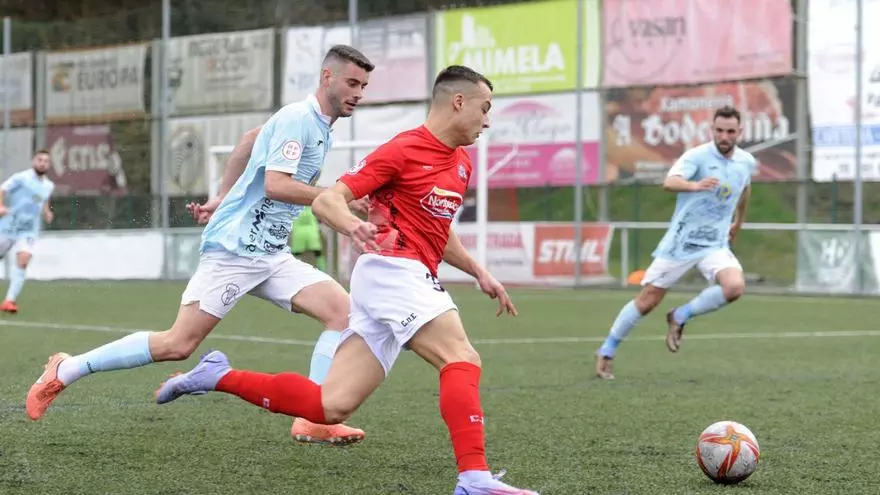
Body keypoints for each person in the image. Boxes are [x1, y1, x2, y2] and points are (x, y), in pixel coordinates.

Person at [154, 65, 539, 495]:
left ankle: (215, 376)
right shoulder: (402, 150)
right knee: (460, 356)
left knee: (330, 405)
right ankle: (473, 478)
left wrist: (479, 271)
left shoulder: (461, 162)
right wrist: (352, 226)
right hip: (393, 271)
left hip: (400, 278)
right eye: (485, 109)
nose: (487, 121)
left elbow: (438, 230)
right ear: (458, 102)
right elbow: (330, 201)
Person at [25, 45, 374, 446]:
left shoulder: (317, 125)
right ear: (327, 77)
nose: (358, 93)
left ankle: (313, 417)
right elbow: (276, 184)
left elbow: (249, 140)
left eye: (363, 86)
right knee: (178, 344)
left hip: (271, 255)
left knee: (343, 313)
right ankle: (67, 369)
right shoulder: (299, 118)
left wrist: (221, 197)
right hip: (234, 250)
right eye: (352, 83)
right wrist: (336, 197)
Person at [595, 105, 754, 380]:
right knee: (647, 301)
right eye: (719, 130)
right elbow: (670, 182)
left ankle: (680, 316)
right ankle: (607, 350)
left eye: (730, 131)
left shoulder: (745, 161)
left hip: (714, 245)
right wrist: (695, 185)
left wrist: (739, 221)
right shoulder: (697, 156)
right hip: (681, 243)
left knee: (734, 286)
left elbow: (745, 188)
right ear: (712, 129)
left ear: (740, 132)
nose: (724, 136)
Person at [0, 149, 55, 313]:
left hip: (29, 229)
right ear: (33, 161)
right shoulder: (21, 178)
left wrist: (47, 212)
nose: (43, 164)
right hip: (10, 224)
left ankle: (9, 301)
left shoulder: (49, 185)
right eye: (40, 160)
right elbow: (2, 189)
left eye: (46, 161)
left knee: (23, 260)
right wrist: (1, 206)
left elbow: (43, 200)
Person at [291, 207, 327, 272]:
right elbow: (320, 220)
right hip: (312, 233)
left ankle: (295, 271)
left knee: (296, 255)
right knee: (318, 253)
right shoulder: (313, 207)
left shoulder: (294, 207)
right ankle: (323, 271)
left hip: (298, 233)